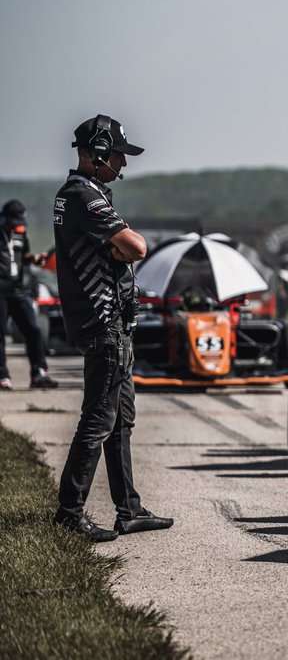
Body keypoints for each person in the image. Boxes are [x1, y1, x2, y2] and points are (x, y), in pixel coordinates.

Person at [52, 114, 173, 542]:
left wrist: (117, 248)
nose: (123, 164)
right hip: (102, 324)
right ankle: (69, 512)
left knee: (120, 419)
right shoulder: (84, 196)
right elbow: (136, 247)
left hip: (107, 324)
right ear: (98, 152)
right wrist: (121, 247)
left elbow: (122, 249)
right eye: (118, 155)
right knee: (99, 418)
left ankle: (129, 509)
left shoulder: (81, 194)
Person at [1, 200, 59, 390]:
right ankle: (2, 377)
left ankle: (39, 373)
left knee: (33, 329)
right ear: (5, 218)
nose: (19, 226)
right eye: (15, 222)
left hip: (18, 290)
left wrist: (34, 258)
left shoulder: (20, 233)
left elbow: (24, 255)